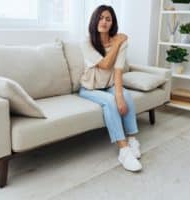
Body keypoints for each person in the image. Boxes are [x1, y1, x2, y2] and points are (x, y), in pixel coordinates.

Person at [79, 5, 142, 172]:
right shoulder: (87, 42)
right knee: (110, 102)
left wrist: (120, 95)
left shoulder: (121, 42)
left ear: (112, 22)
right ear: (94, 20)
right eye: (100, 17)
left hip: (109, 86)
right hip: (89, 88)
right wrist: (117, 43)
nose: (104, 21)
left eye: (108, 19)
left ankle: (132, 139)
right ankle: (123, 150)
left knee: (126, 96)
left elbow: (118, 70)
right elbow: (106, 64)